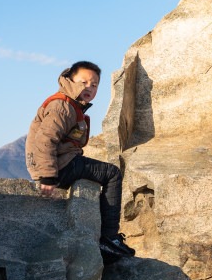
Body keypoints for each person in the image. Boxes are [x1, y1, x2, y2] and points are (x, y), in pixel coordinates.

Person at [25, 61, 135, 263]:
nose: (89, 88)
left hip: (60, 163)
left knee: (100, 170)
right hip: (57, 168)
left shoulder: (70, 105)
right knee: (112, 174)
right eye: (83, 82)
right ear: (69, 80)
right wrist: (48, 177)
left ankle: (107, 236)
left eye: (94, 85)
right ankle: (109, 238)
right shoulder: (62, 106)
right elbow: (44, 140)